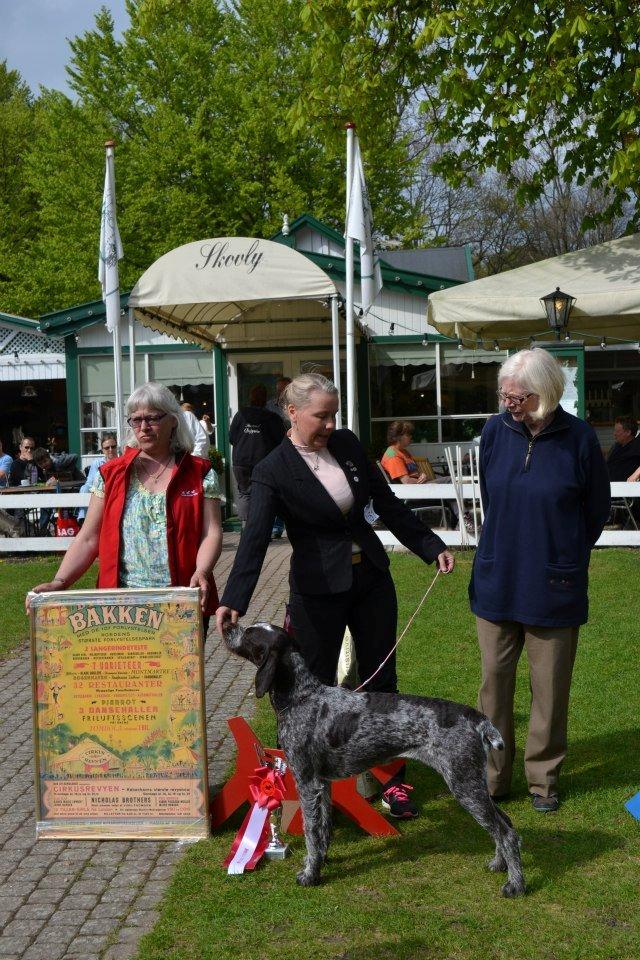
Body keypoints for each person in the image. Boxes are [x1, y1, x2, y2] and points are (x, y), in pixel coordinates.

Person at [216, 372, 454, 819]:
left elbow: (387, 503)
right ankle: (313, 790)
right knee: (312, 691)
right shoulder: (272, 470)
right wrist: (235, 599)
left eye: (334, 415)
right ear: (292, 411)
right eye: (320, 416)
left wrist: (429, 545)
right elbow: (253, 539)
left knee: (382, 688)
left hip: (372, 583)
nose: (329, 424)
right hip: (317, 593)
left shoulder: (345, 445)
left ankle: (390, 784)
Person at [469, 348, 610, 813]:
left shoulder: (580, 438)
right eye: (504, 395)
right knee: (493, 684)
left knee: (549, 688)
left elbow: (595, 511)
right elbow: (492, 496)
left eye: (518, 397)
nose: (509, 403)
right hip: (497, 579)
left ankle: (542, 780)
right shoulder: (495, 430)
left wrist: (561, 553)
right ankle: (493, 777)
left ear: (545, 394)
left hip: (554, 584)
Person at [28, 382, 223, 634]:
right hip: (120, 608)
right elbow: (88, 538)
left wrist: (202, 570)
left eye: (152, 418)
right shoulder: (110, 474)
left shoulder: (201, 473)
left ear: (173, 421)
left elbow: (212, 532)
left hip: (182, 601)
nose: (143, 427)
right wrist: (60, 581)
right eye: (136, 419)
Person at [381, 421, 466, 531]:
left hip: (419, 488)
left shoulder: (404, 452)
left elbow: (416, 473)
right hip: (412, 494)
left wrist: (424, 476)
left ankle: (461, 523)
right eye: (408, 434)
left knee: (450, 483)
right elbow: (406, 481)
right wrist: (425, 482)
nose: (411, 437)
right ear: (399, 436)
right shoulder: (393, 455)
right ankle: (464, 520)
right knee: (450, 481)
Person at [229, 384, 286, 525]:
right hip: (264, 461)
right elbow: (281, 441)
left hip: (240, 461)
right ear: (265, 399)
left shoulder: (240, 415)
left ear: (250, 397)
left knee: (244, 494)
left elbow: (231, 438)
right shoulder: (272, 418)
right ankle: (262, 526)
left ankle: (246, 527)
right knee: (265, 493)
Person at [77, 435, 119, 522]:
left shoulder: (122, 461)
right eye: (107, 448)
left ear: (116, 447)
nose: (111, 450)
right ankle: (82, 518)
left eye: (113, 447)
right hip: (99, 489)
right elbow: (89, 482)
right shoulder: (97, 463)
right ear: (103, 450)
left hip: (116, 490)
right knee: (84, 488)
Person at [606, 416, 640, 481]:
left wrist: (636, 474)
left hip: (627, 488)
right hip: (610, 486)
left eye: (617, 431)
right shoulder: (616, 447)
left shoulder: (636, 445)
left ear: (628, 432)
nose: (614, 434)